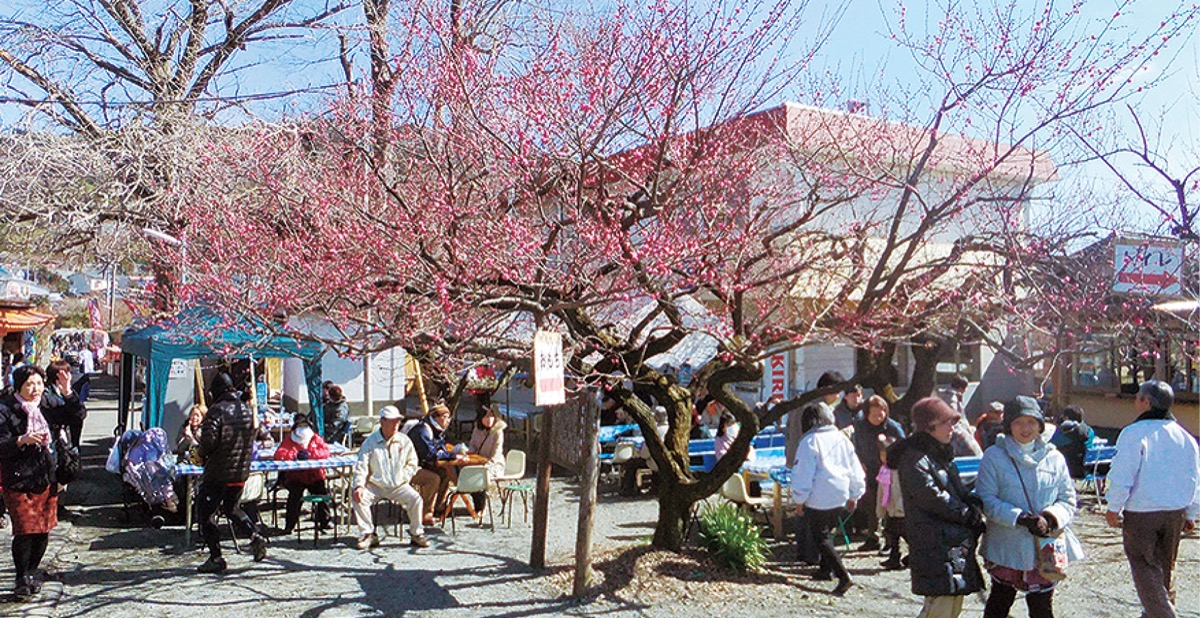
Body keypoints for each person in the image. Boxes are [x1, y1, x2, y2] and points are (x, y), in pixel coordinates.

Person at [975, 396, 1082, 618]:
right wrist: (1019, 518)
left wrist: (1050, 518)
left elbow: (1068, 498)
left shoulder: (1054, 457)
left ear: (1040, 425)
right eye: (1019, 422)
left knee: (1042, 606)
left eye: (1032, 422)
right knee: (1000, 601)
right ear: (1009, 425)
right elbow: (986, 498)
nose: (1026, 428)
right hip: (1007, 543)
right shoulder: (994, 456)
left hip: (1045, 544)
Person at [1105, 380, 1200, 618]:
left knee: (1144, 566)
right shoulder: (1185, 437)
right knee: (1166, 566)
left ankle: (1163, 615)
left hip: (1142, 511)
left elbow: (1123, 473)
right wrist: (1191, 512)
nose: (1136, 401)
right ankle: (1158, 612)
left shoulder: (1133, 433)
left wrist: (1113, 506)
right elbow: (1194, 477)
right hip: (1175, 511)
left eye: (1138, 397)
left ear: (1146, 402)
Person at [891, 397, 986, 618]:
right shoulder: (915, 459)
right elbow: (932, 497)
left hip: (951, 540)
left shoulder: (939, 454)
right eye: (947, 423)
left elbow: (956, 491)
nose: (952, 429)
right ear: (929, 426)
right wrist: (967, 515)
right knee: (939, 606)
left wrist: (972, 504)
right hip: (933, 541)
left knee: (952, 602)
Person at [0, 365, 86, 599]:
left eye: (38, 383)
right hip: (18, 479)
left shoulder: (47, 405)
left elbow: (76, 416)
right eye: (29, 384)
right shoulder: (6, 410)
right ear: (19, 386)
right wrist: (21, 440)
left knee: (42, 531)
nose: (35, 388)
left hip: (46, 476)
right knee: (25, 530)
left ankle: (31, 572)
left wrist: (68, 392)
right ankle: (21, 578)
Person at [195, 372, 268, 574]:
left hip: (218, 472)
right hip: (240, 472)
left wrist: (201, 453)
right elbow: (258, 433)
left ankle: (216, 557)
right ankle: (254, 534)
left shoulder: (216, 411)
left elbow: (209, 442)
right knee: (232, 508)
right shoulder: (246, 409)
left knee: (207, 513)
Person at [790, 403, 864, 596]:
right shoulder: (842, 438)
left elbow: (802, 474)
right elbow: (854, 468)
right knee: (828, 531)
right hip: (840, 494)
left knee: (820, 537)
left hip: (819, 496)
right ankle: (825, 569)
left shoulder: (809, 442)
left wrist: (799, 500)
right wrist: (855, 494)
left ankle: (843, 575)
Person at [352, 405, 428, 549]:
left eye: (398, 421)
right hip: (375, 485)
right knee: (358, 497)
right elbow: (361, 466)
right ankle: (368, 534)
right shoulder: (370, 442)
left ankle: (416, 533)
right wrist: (359, 486)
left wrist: (403, 477)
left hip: (398, 485)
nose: (396, 425)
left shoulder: (404, 440)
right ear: (382, 422)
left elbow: (412, 462)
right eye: (392, 421)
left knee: (415, 498)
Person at [851, 395, 905, 551]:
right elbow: (857, 446)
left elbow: (904, 446)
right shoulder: (861, 426)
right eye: (874, 415)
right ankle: (873, 536)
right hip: (869, 470)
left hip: (889, 472)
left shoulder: (893, 427)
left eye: (881, 414)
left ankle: (890, 541)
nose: (878, 418)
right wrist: (859, 461)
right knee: (871, 505)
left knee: (889, 505)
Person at [273, 414, 331, 534]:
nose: (303, 428)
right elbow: (279, 454)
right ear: (295, 428)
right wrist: (294, 456)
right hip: (296, 477)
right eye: (300, 426)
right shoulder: (289, 439)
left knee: (321, 492)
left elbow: (325, 452)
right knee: (295, 496)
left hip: (314, 475)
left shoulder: (315, 438)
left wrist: (310, 454)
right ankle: (290, 525)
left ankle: (325, 521)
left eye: (305, 425)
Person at [408, 402, 463, 523]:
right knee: (433, 479)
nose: (448, 421)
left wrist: (450, 454)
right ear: (438, 418)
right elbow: (430, 455)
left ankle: (439, 506)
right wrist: (452, 455)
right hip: (409, 467)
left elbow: (440, 449)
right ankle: (424, 513)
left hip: (422, 463)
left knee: (444, 472)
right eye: (447, 418)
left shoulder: (435, 430)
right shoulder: (423, 430)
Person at [786, 370, 843, 466]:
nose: (838, 396)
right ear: (827, 390)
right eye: (836, 392)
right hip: (808, 460)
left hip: (793, 457)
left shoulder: (802, 400)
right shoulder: (819, 408)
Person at [467, 405, 507, 512]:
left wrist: (486, 465)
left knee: (481, 476)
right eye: (486, 417)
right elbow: (473, 445)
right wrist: (468, 453)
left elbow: (496, 453)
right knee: (465, 473)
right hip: (477, 461)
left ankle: (481, 508)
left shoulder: (498, 431)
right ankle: (477, 505)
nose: (489, 419)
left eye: (491, 416)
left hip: (494, 464)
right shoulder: (477, 429)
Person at [877, 436, 907, 570]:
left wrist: (901, 507)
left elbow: (904, 492)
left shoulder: (902, 471)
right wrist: (881, 511)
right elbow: (881, 493)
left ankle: (912, 557)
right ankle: (894, 558)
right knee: (892, 535)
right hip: (892, 510)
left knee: (906, 535)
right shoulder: (884, 471)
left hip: (902, 510)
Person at [44, 360, 85, 448]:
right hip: (56, 445)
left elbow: (81, 414)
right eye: (68, 373)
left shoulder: (68, 392)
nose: (70, 376)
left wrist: (69, 394)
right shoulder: (46, 395)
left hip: (70, 444)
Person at [1048, 406, 1094, 480]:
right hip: (1088, 469)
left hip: (1070, 469)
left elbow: (1050, 443)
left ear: (1066, 418)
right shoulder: (1090, 431)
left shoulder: (1067, 433)